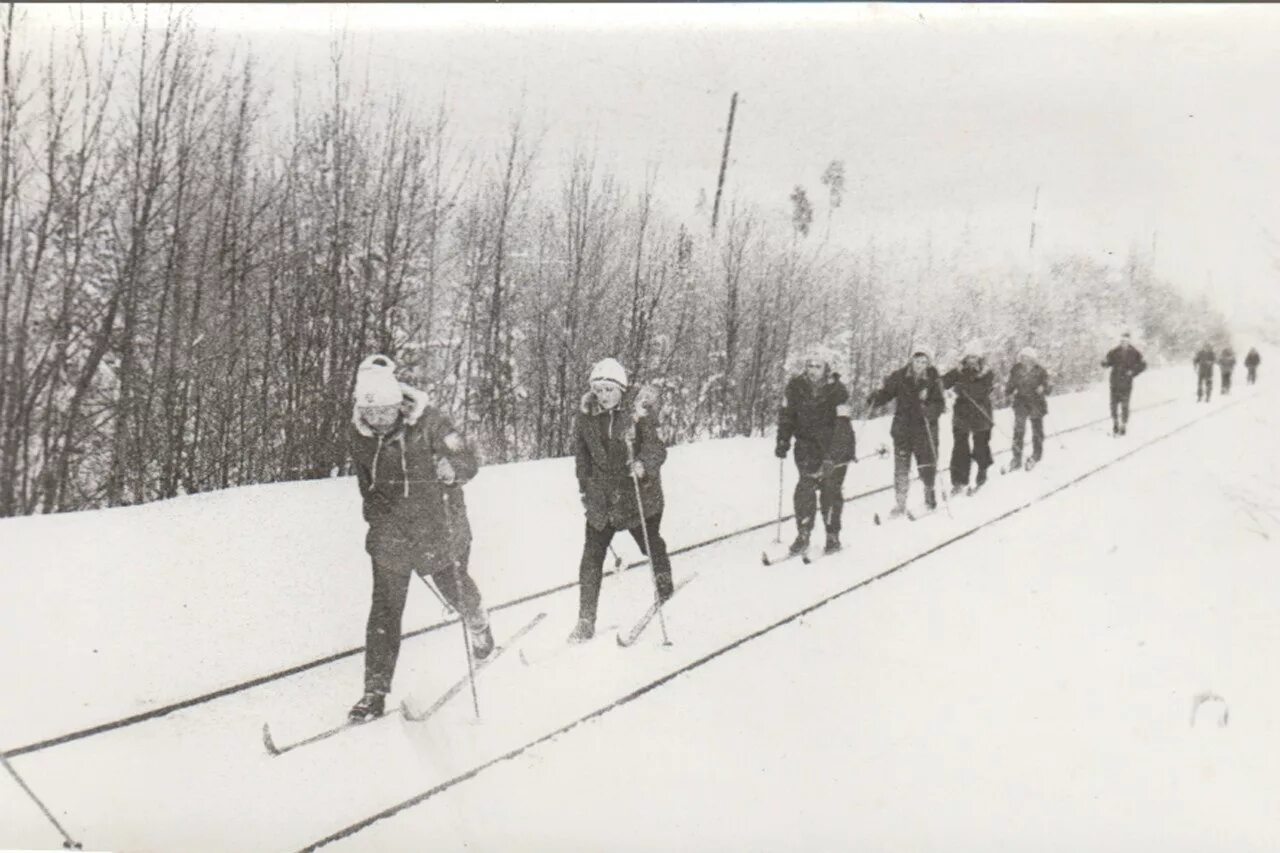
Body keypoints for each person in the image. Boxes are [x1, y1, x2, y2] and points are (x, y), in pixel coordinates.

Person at [347, 354, 493, 722]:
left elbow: (469, 461)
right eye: (371, 414)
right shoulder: (360, 434)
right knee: (384, 610)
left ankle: (477, 622)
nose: (378, 421)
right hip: (392, 533)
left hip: (437, 526)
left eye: (385, 412)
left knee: (456, 590)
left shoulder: (431, 423)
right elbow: (369, 489)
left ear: (399, 404)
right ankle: (374, 691)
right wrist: (380, 524)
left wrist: (452, 468)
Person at [570, 358, 673, 642]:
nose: (604, 396)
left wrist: (642, 464)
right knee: (591, 558)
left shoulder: (639, 415)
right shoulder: (585, 418)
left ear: (622, 390)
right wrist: (585, 490)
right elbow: (582, 458)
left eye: (609, 390)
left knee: (649, 543)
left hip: (636, 494)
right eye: (599, 390)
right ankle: (585, 619)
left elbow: (657, 448)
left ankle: (663, 578)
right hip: (602, 499)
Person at [775, 350, 856, 555]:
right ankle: (803, 533)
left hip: (835, 445)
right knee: (805, 489)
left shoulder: (838, 391)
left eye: (818, 366)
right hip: (806, 446)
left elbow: (843, 426)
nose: (813, 371)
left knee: (830, 490)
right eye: (810, 365)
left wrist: (833, 456)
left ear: (826, 368)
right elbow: (787, 416)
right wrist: (783, 439)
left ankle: (832, 535)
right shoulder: (795, 387)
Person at [868, 348, 946, 517]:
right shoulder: (899, 377)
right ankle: (900, 503)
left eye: (924, 362)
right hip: (903, 429)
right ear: (911, 360)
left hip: (924, 430)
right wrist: (876, 399)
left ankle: (929, 497)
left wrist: (930, 410)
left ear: (928, 363)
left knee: (926, 466)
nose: (920, 365)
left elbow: (940, 403)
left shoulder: (933, 379)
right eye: (917, 361)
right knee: (901, 468)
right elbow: (887, 393)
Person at [941, 341, 995, 493]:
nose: (972, 360)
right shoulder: (958, 372)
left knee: (981, 446)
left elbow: (982, 390)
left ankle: (982, 471)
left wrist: (962, 388)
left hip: (981, 414)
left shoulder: (986, 373)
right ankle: (959, 480)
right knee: (960, 447)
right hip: (962, 415)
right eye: (969, 357)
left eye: (975, 357)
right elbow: (943, 382)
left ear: (979, 358)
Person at [1006, 347, 1051, 468]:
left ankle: (1036, 454)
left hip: (1036, 402)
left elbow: (1048, 387)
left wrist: (1043, 388)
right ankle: (1016, 457)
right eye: (1023, 357)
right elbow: (1010, 384)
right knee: (1018, 430)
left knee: (1037, 430)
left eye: (1028, 358)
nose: (1025, 360)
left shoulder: (1040, 371)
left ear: (1033, 359)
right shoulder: (1016, 369)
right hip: (1021, 402)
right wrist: (1008, 392)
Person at [1102, 332, 1147, 433]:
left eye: (1126, 341)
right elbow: (1108, 362)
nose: (1124, 343)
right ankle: (1115, 422)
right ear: (1120, 341)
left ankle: (1123, 424)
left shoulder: (1135, 353)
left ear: (1129, 342)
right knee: (1113, 404)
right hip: (1114, 382)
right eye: (1122, 341)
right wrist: (1104, 363)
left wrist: (1133, 372)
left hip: (1127, 383)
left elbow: (1143, 365)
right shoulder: (1114, 352)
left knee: (1125, 404)